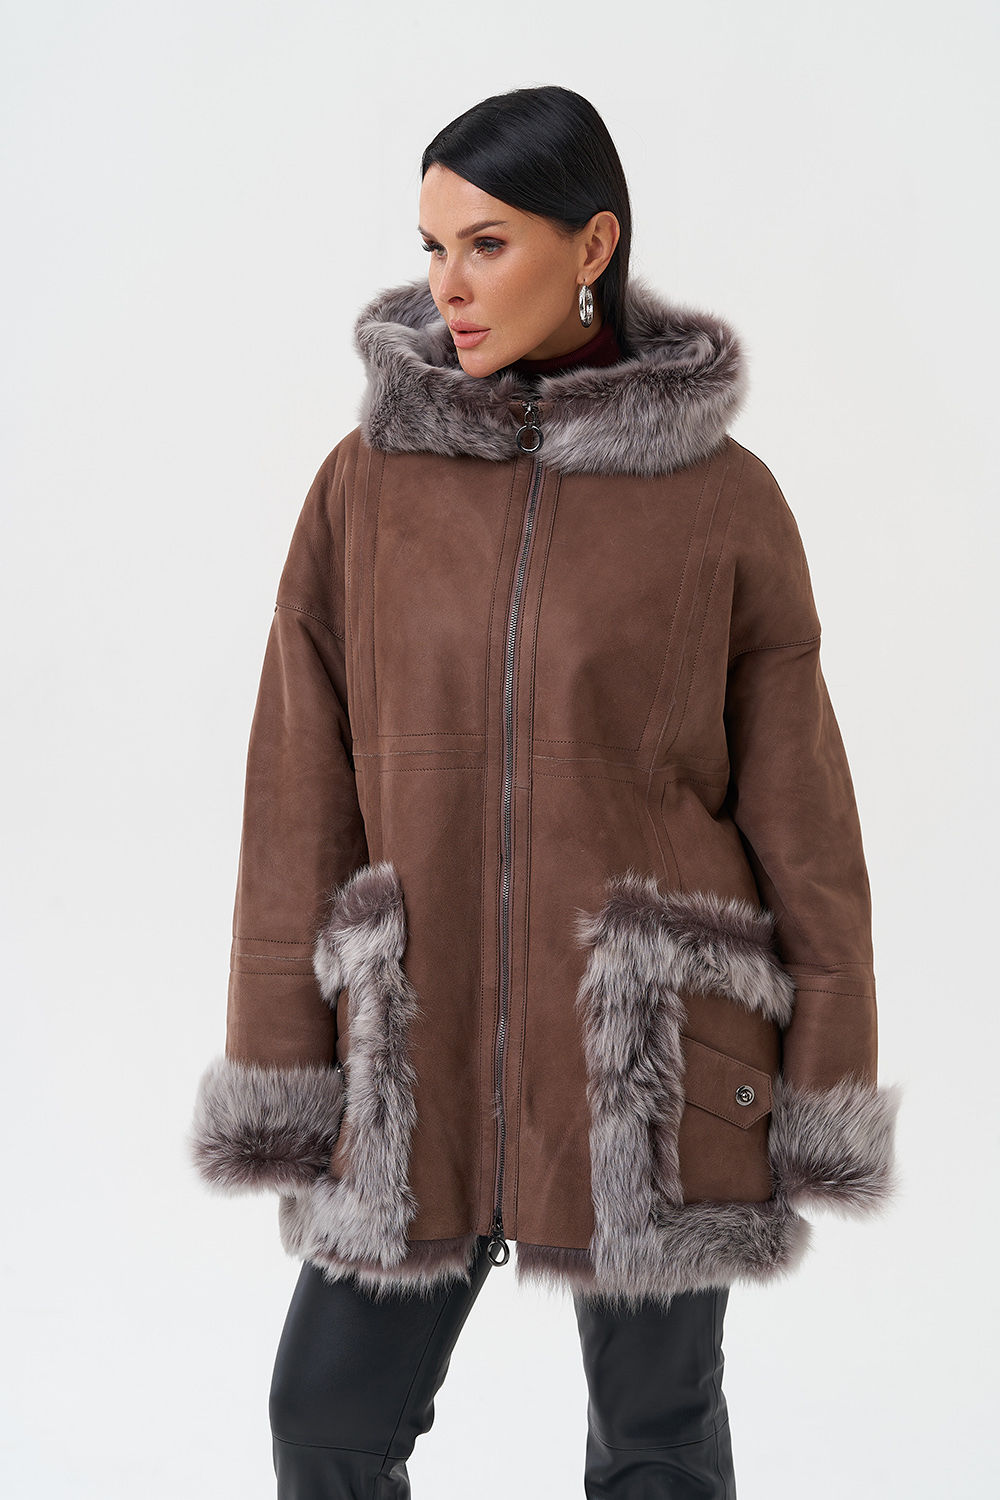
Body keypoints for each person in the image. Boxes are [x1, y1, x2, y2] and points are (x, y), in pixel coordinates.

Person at [191, 85, 901, 1498]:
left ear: (593, 245)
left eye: (487, 243)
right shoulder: (365, 488)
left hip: (654, 1052)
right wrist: (286, 1061)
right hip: (417, 1050)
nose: (446, 285)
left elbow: (805, 820)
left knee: (655, 1442)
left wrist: (824, 1082)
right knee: (323, 1418)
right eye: (432, 244)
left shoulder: (722, 499)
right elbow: (297, 800)